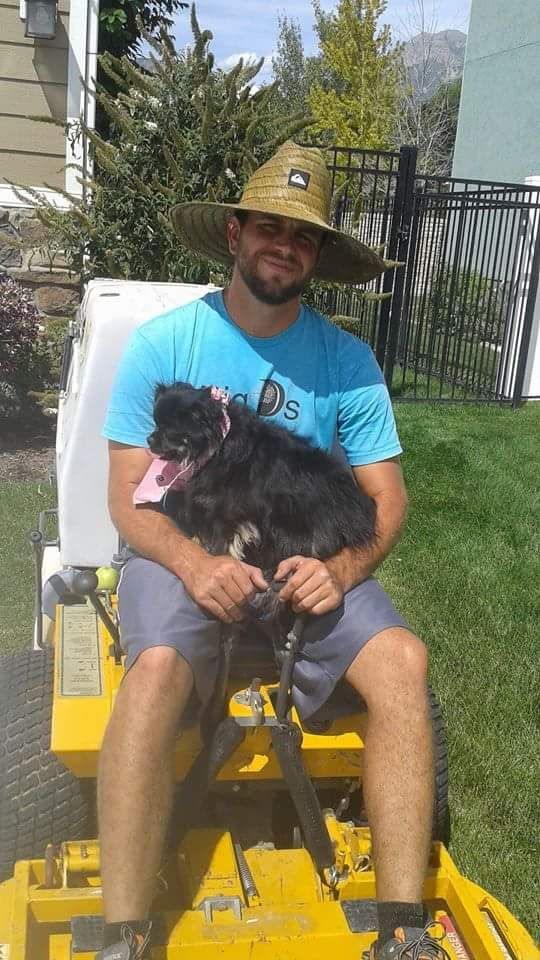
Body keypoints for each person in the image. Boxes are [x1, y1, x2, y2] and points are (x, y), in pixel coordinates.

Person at [98, 141, 444, 960]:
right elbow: (127, 499)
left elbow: (386, 499)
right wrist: (193, 562)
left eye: (303, 237)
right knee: (150, 672)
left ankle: (399, 934)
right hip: (186, 554)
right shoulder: (163, 346)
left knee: (402, 661)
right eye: (268, 228)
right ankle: (121, 934)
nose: (283, 247)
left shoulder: (346, 362)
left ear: (316, 256)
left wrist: (343, 569)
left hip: (305, 566)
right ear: (234, 233)